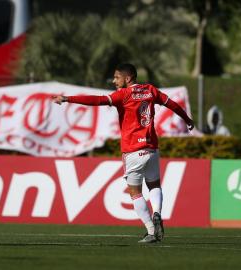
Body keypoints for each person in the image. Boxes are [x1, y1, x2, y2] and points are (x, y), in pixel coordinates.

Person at [52, 63, 194, 243]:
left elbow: (97, 101)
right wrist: (188, 120)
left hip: (133, 150)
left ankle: (151, 231)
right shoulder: (150, 90)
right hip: (152, 147)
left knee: (135, 192)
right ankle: (157, 213)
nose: (114, 81)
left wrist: (67, 99)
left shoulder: (124, 94)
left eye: (117, 77)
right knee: (154, 185)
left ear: (127, 78)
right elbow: (172, 104)